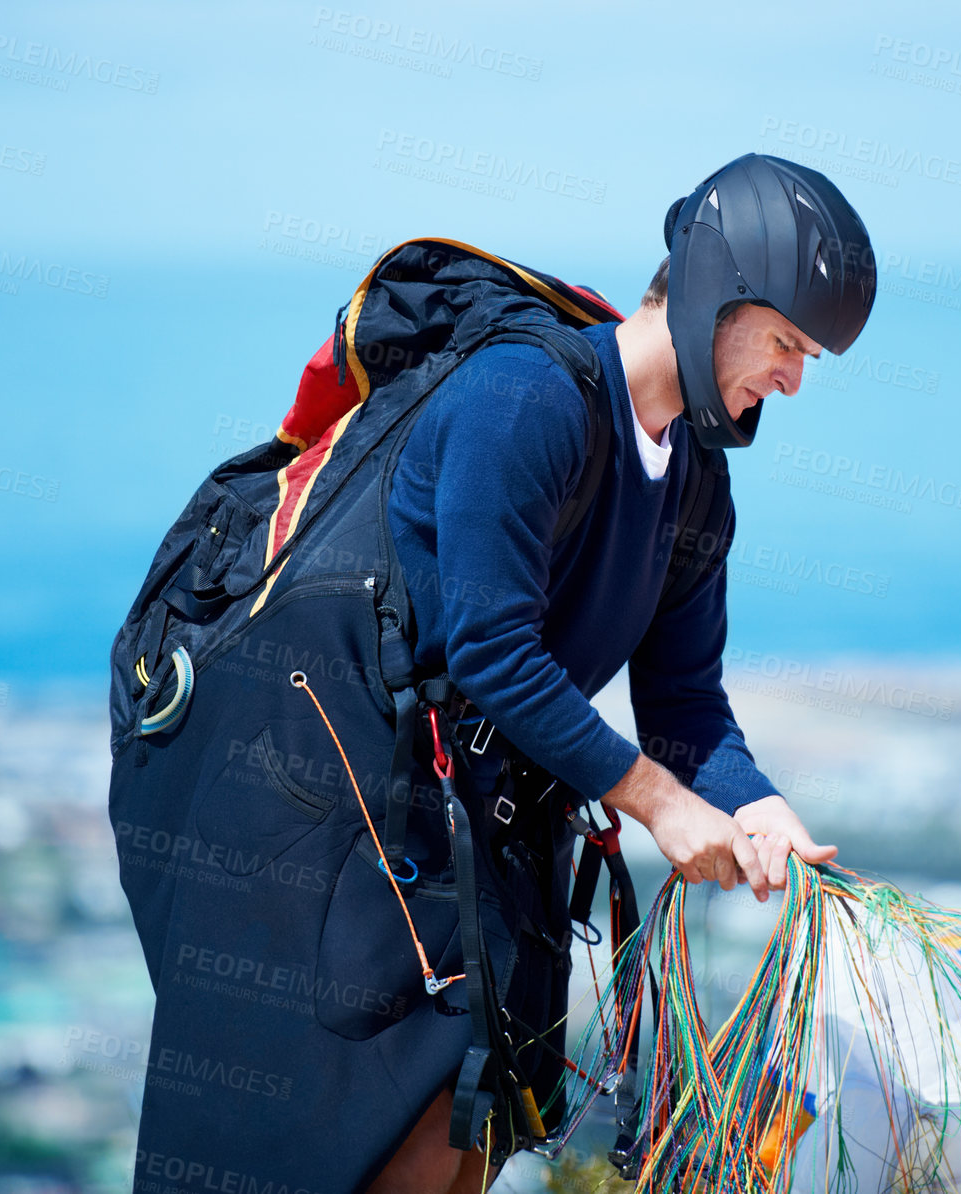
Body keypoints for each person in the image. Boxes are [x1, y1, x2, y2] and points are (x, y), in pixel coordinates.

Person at [371, 152, 878, 1192]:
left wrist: (758, 805)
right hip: (378, 831)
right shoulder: (523, 401)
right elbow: (490, 652)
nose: (791, 376)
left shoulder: (696, 486)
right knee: (409, 1155)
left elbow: (683, 703)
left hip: (498, 836)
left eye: (806, 356)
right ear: (707, 296)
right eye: (784, 340)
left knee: (477, 1153)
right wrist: (659, 806)